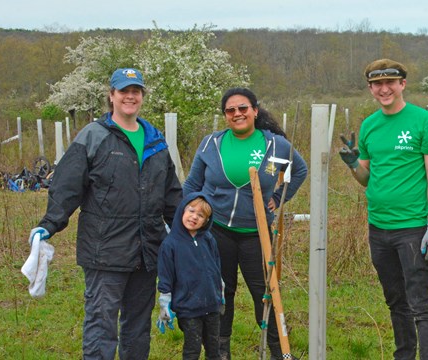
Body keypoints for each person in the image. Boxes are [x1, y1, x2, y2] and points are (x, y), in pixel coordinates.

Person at [28, 68, 183, 359]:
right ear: (111, 96)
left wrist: (187, 233)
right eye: (123, 91)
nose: (130, 96)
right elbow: (67, 186)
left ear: (142, 97)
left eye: (136, 91)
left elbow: (172, 195)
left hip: (148, 251)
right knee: (101, 326)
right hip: (105, 251)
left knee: (137, 328)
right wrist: (49, 224)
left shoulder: (155, 140)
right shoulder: (93, 136)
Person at [182, 87, 308, 359]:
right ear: (225, 116)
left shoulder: (277, 145)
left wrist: (277, 197)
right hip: (216, 233)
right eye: (230, 110)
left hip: (256, 234)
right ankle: (219, 350)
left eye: (242, 108)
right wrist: (187, 218)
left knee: (266, 292)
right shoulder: (211, 144)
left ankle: (278, 351)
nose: (237, 114)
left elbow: (299, 170)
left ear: (254, 110)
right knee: (221, 292)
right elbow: (192, 184)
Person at [338, 58, 428, 359]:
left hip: (412, 227)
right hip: (378, 228)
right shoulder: (370, 125)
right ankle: (404, 355)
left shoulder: (424, 121)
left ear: (402, 85)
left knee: (420, 302)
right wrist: (352, 164)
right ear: (371, 88)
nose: (384, 89)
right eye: (377, 84)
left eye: (390, 83)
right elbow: (366, 178)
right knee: (395, 300)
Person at [157, 192, 224, 360]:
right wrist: (165, 301)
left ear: (206, 221)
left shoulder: (208, 239)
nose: (194, 217)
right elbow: (165, 274)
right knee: (192, 350)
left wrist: (220, 290)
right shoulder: (170, 244)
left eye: (200, 215)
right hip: (188, 308)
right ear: (182, 211)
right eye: (191, 211)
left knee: (214, 349)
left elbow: (216, 265)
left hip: (212, 306)